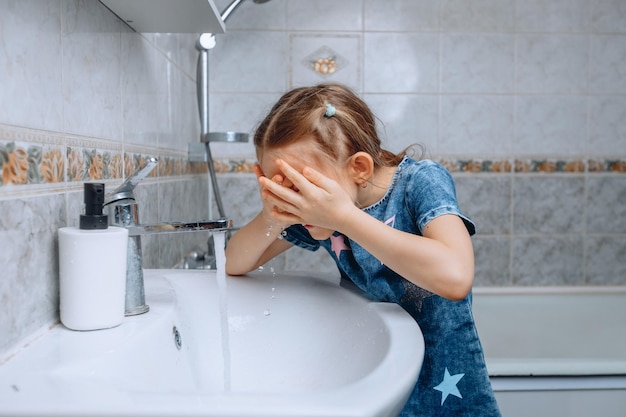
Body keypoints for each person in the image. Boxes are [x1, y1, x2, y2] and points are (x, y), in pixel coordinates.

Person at [225, 83, 501, 416]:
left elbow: (456, 277)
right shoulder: (316, 211)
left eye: (302, 187)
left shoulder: (419, 183)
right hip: (380, 364)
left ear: (359, 168)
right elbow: (235, 263)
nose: (296, 200)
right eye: (281, 188)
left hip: (445, 374)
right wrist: (271, 213)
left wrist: (344, 216)